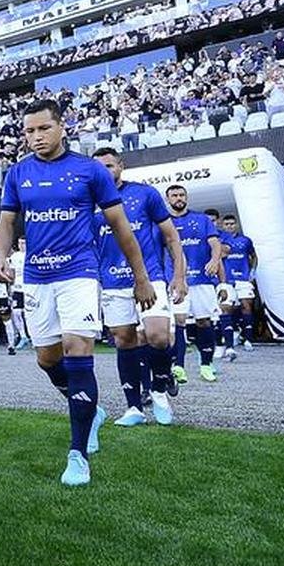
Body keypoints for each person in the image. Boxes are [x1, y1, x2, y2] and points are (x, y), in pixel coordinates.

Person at [0, 99, 151, 486]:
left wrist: (141, 277)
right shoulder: (17, 174)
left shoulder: (89, 170)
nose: (35, 137)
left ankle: (78, 453)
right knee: (47, 359)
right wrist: (1, 255)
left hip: (80, 272)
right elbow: (5, 222)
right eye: (29, 131)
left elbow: (120, 227)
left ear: (62, 127)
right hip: (36, 276)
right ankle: (89, 408)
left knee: (77, 348)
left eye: (43, 129)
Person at [91, 148, 186, 427]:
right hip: (111, 281)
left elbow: (171, 237)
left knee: (158, 336)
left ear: (121, 166)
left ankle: (158, 389)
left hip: (148, 276)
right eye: (99, 168)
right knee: (125, 341)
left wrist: (179, 276)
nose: (105, 172)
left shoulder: (145, 194)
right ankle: (134, 408)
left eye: (109, 165)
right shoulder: (89, 202)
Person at [164, 185, 223, 383]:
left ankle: (206, 365)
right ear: (168, 199)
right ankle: (178, 366)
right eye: (174, 195)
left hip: (202, 279)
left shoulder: (202, 219)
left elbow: (215, 244)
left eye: (181, 195)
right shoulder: (163, 222)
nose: (178, 198)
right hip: (176, 279)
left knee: (203, 321)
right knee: (179, 320)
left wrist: (215, 260)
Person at [219, 213, 257, 354]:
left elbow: (254, 256)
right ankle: (230, 341)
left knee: (246, 306)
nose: (230, 226)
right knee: (227, 309)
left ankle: (248, 339)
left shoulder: (245, 240)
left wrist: (253, 272)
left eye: (232, 224)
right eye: (227, 224)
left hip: (243, 278)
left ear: (237, 225)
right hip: (227, 279)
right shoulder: (219, 240)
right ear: (222, 226)